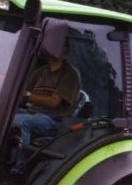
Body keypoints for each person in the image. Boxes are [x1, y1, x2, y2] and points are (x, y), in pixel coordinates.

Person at [10, 43, 82, 175]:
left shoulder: (70, 74)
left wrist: (28, 95)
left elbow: (53, 102)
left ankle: (17, 171)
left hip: (53, 120)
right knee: (0, 116)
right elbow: (21, 96)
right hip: (30, 112)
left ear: (65, 49)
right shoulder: (39, 73)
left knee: (20, 122)